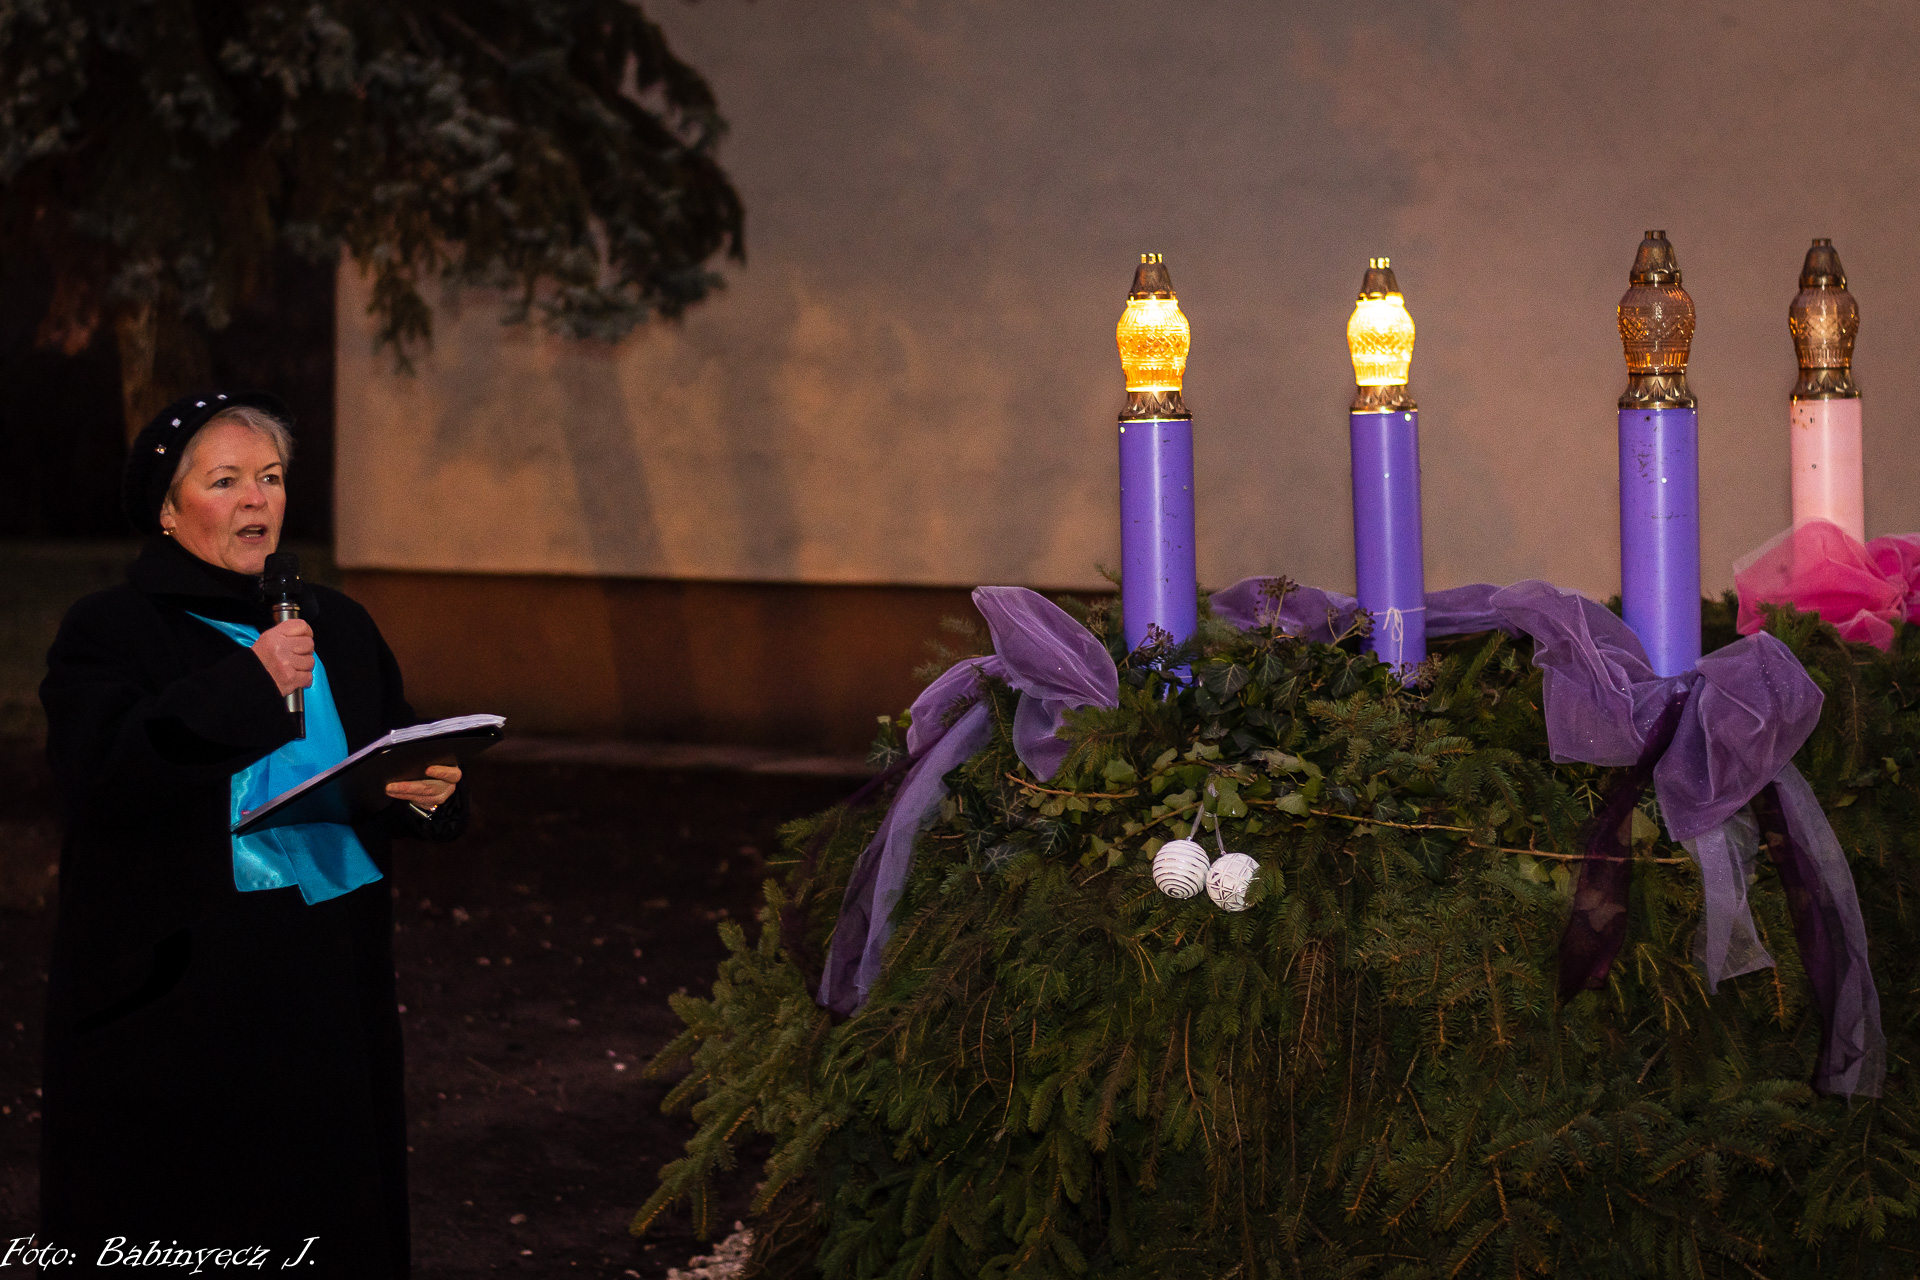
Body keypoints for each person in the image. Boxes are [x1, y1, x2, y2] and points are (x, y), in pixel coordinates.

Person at [37, 392, 468, 1276]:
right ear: (166, 509)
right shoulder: (111, 630)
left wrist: (426, 794)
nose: (256, 499)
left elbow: (384, 751)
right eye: (225, 480)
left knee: (327, 1201)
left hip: (328, 975)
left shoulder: (337, 623)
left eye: (269, 478)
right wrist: (249, 682)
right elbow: (104, 775)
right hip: (183, 995)